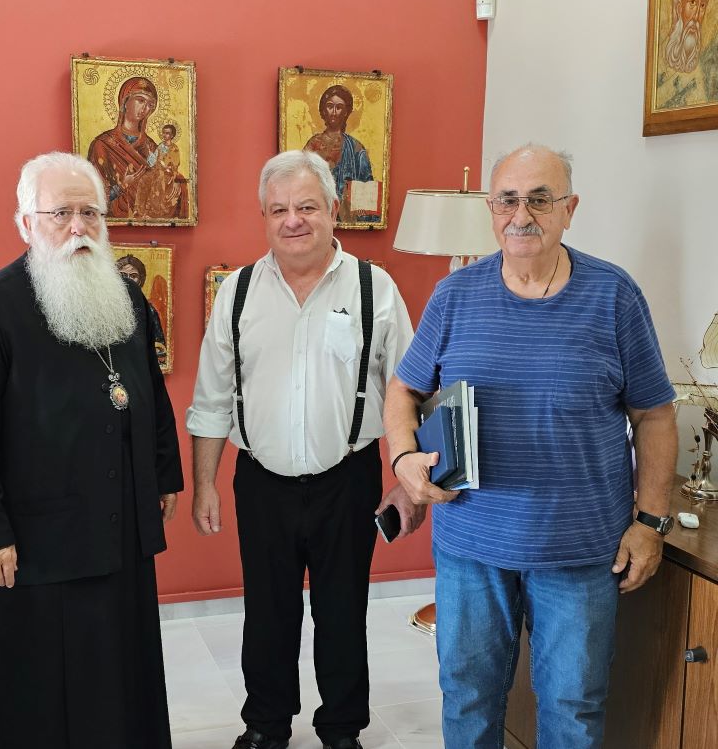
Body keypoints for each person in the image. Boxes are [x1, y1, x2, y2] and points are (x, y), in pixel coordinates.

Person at [383, 144, 678, 749]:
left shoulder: (614, 296)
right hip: (470, 546)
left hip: (580, 551)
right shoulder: (454, 295)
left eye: (540, 200)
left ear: (570, 209)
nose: (522, 216)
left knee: (573, 708)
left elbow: (654, 415)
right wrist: (404, 457)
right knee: (467, 697)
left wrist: (650, 522)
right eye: (508, 201)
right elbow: (404, 390)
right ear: (491, 210)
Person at [0, 151, 184, 749]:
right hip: (38, 542)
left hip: (120, 527)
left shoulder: (126, 299)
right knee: (42, 691)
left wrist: (162, 476)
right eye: (61, 213)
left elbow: (148, 393)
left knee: (121, 671)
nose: (78, 226)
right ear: (27, 223)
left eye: (90, 212)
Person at [186, 150, 416, 749]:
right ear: (263, 217)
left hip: (350, 478)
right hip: (261, 480)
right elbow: (210, 399)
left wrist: (406, 479)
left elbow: (410, 390)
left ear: (334, 210)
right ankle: (265, 725)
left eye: (307, 206)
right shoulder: (237, 293)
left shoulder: (374, 289)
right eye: (279, 209)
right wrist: (206, 483)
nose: (293, 220)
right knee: (267, 612)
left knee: (343, 612)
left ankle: (342, 729)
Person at [88, 77, 187, 220]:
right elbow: (94, 197)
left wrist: (171, 178)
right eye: (140, 100)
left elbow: (160, 180)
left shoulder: (151, 145)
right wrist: (122, 185)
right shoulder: (103, 145)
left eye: (150, 105)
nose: (145, 108)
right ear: (125, 102)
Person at [304, 85, 377, 224]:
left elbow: (367, 194)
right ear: (323, 110)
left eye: (339, 107)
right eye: (329, 106)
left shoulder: (356, 149)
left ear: (346, 112)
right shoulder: (312, 145)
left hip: (347, 216)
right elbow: (301, 183)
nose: (333, 112)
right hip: (317, 215)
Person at [116, 253, 168, 364]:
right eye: (123, 275)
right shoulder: (106, 308)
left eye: (133, 276)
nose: (128, 280)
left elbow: (159, 346)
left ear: (140, 280)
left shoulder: (149, 310)